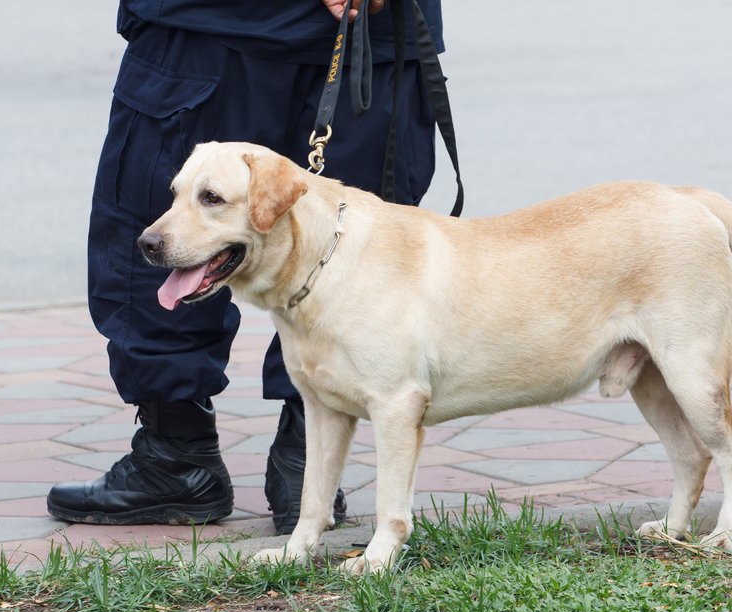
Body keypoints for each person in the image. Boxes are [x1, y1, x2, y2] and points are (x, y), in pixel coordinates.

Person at [47, 0, 444, 534]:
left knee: (357, 253)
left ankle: (303, 469)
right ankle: (180, 454)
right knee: (166, 231)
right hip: (214, 24)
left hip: (352, 33)